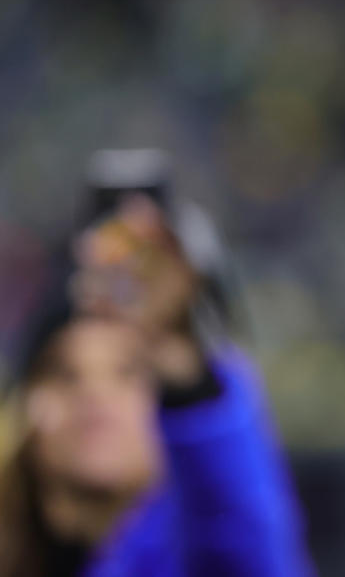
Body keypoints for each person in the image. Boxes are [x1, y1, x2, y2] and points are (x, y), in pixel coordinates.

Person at [0, 196, 316, 576]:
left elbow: (240, 536)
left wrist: (191, 383)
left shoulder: (204, 555)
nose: (94, 393)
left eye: (128, 372)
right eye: (64, 374)